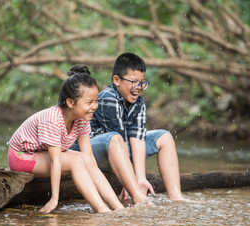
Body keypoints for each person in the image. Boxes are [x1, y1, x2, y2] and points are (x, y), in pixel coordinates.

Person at [71, 53, 190, 204]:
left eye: (142, 83)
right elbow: (119, 139)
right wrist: (130, 181)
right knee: (115, 138)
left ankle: (176, 195)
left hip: (119, 147)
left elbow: (137, 138)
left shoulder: (139, 103)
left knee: (164, 137)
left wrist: (140, 178)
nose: (138, 88)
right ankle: (138, 197)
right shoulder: (108, 98)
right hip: (94, 149)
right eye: (133, 82)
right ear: (116, 80)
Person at [8, 65, 124, 213]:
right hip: (21, 156)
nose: (94, 106)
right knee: (77, 161)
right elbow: (56, 161)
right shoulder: (52, 119)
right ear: (70, 102)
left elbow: (89, 159)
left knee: (85, 159)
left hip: (40, 154)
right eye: (89, 102)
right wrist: (54, 199)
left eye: (96, 101)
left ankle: (117, 207)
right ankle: (101, 209)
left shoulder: (82, 118)